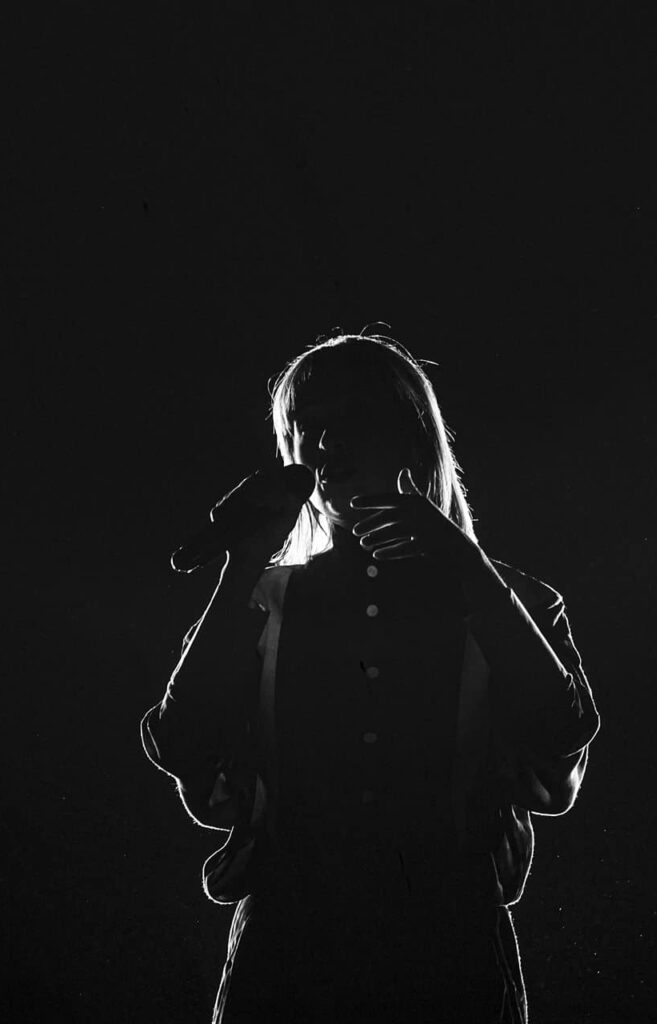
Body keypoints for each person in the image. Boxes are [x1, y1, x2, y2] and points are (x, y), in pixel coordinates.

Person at [141, 331, 600, 1022]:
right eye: (307, 429)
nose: (326, 448)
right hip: (289, 967)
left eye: (350, 422)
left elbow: (561, 736)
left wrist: (467, 571)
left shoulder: (516, 603)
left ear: (412, 433)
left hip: (448, 968)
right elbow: (181, 741)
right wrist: (239, 566)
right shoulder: (266, 599)